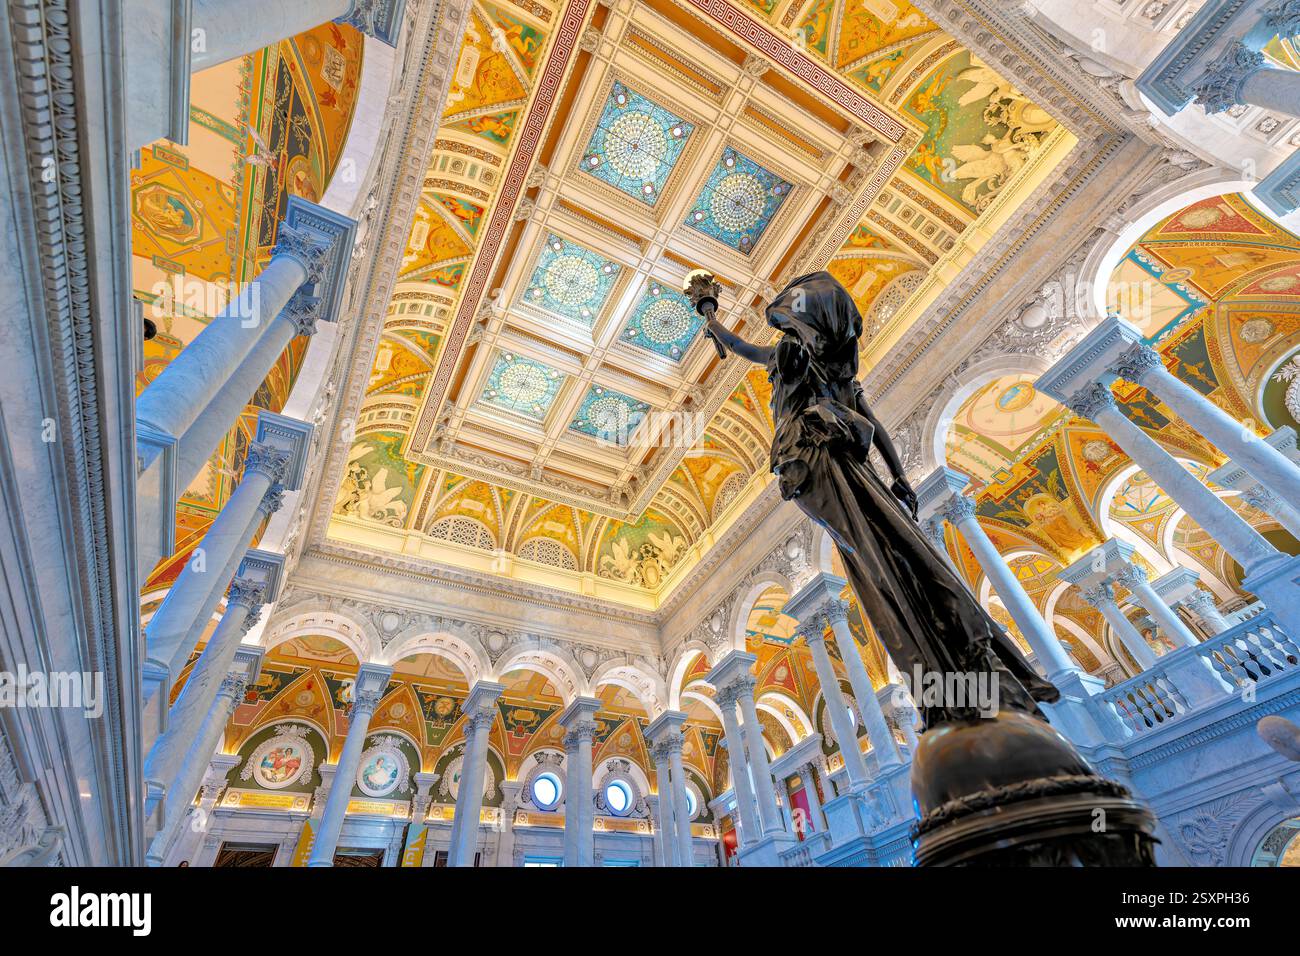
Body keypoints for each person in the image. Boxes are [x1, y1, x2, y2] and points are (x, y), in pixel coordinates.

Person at [701, 271, 1058, 726]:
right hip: (830, 465)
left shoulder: (799, 359)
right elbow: (871, 422)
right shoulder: (824, 368)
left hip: (816, 459)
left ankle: (954, 684)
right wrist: (901, 477)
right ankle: (955, 683)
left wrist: (710, 313)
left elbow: (738, 346)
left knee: (882, 560)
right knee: (885, 557)